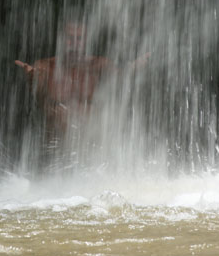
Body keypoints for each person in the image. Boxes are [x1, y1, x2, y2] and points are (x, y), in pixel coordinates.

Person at [15, 14, 149, 166]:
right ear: (61, 39)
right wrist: (33, 80)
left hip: (93, 155)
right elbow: (39, 97)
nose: (74, 43)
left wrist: (134, 68)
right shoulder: (45, 67)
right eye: (70, 38)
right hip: (54, 155)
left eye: (79, 39)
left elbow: (121, 78)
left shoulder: (99, 65)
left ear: (86, 41)